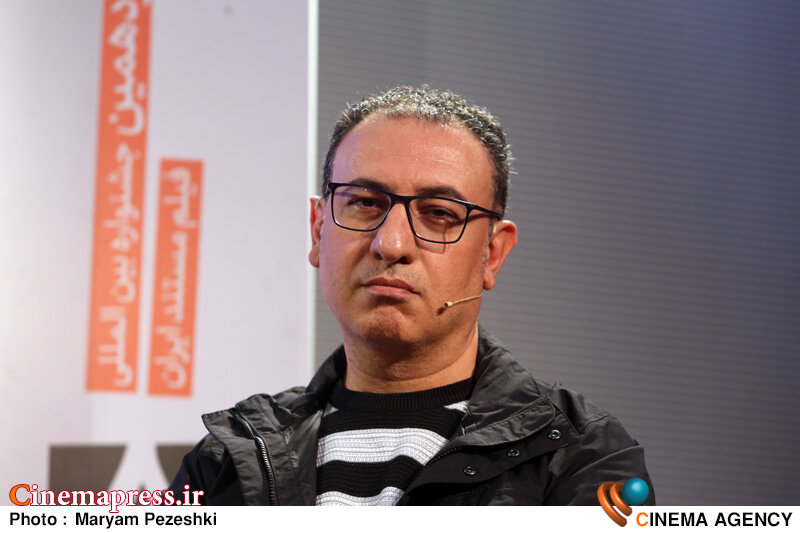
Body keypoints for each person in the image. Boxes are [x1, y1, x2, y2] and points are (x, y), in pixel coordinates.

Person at [169, 85, 654, 505]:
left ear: (492, 254)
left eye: (439, 213)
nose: (392, 243)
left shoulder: (579, 456)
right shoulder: (225, 461)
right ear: (318, 231)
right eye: (364, 202)